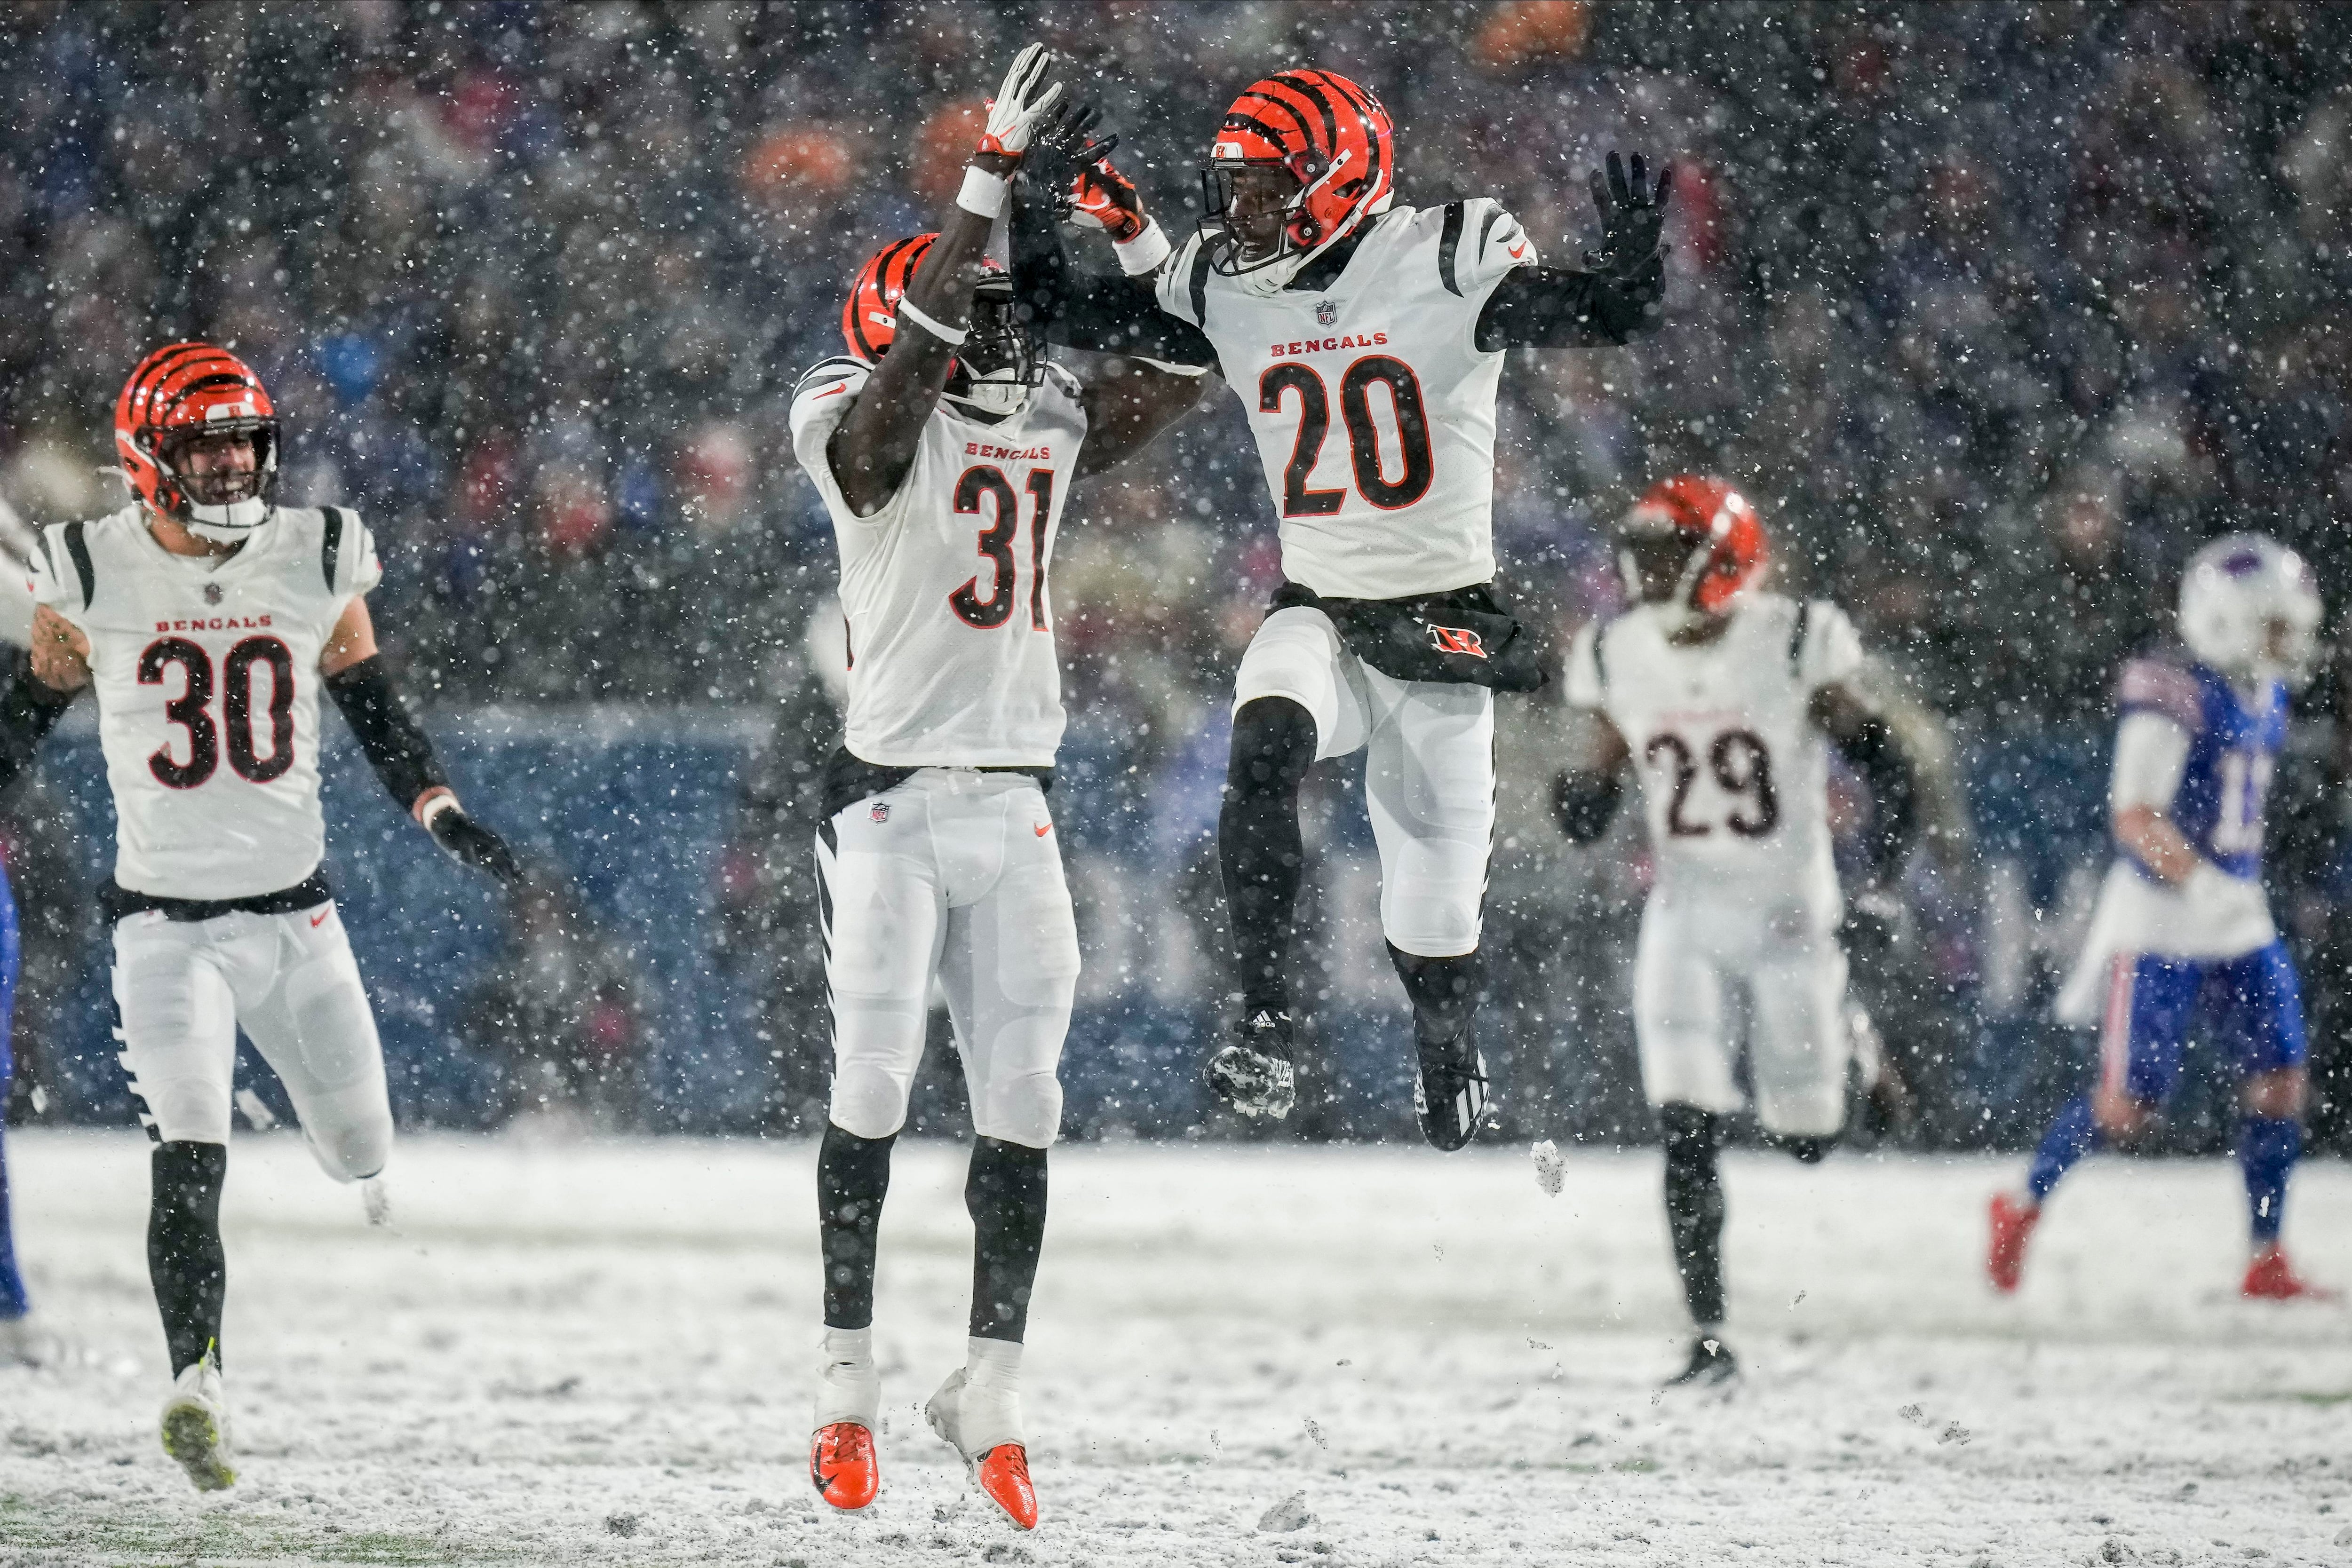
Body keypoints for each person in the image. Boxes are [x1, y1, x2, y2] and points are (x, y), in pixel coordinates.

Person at [1010, 71, 1671, 1148]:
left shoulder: (1443, 260)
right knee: (1264, 737)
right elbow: (1056, 307)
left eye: (1266, 189)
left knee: (1433, 914)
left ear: (1335, 175)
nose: (1241, 215)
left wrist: (1634, 265)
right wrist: (1037, 208)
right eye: (1233, 190)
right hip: (1317, 605)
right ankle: (1265, 1014)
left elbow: (1602, 313)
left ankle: (1447, 1041)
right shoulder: (1232, 286)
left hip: (1438, 622)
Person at [787, 48, 1207, 1531]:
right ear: (915, 322)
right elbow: (898, 392)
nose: (1007, 334)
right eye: (977, 312)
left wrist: (1125, 216)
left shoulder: (1042, 417)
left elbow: (1197, 355)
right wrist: (985, 177)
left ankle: (990, 1388)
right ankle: (844, 1388)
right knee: (875, 1081)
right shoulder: (853, 425)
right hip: (889, 797)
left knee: (1027, 1098)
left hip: (1015, 797)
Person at [0, 342, 521, 1488]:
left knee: (360, 1148)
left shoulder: (317, 551)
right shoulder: (89, 568)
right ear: (150, 458)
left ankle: (321, 1142)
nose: (235, 462)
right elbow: (22, 720)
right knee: (188, 1160)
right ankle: (199, 1379)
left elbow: (375, 707)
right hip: (162, 929)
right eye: (208, 443)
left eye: (245, 440)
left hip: (297, 922)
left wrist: (438, 808)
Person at [1554, 477, 1923, 1384]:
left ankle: (1853, 1039)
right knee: (1685, 1127)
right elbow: (1596, 773)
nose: (1646, 570)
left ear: (1723, 559)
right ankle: (1709, 1335)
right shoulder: (1616, 650)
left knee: (1807, 1138)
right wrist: (1585, 797)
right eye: (1639, 551)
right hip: (1683, 913)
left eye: (1667, 552)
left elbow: (1891, 764)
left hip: (1793, 917)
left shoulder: (1792, 639)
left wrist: (1878, 881)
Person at [1989, 534, 2334, 1301]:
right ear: (2221, 619)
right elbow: (2135, 816)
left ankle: (2265, 1251)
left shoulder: (2265, 690)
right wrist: (2200, 879)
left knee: (2279, 1078)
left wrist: (2226, 889)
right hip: (2162, 913)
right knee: (2127, 1106)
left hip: (2236, 910)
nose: (2286, 639)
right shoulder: (2175, 690)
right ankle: (2020, 1205)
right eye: (2271, 623)